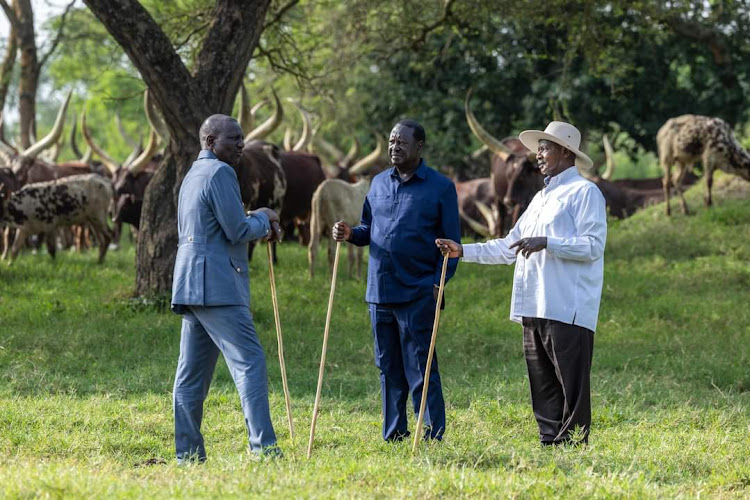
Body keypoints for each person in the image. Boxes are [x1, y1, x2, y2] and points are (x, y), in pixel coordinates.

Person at [436, 121, 607, 446]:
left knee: (571, 385)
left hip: (567, 307)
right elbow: (509, 246)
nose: (538, 155)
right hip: (533, 304)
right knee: (542, 385)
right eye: (539, 148)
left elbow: (593, 246)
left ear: (566, 152)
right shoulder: (541, 197)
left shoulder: (586, 192)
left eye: (545, 148)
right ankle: (549, 445)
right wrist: (463, 251)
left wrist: (549, 242)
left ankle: (574, 449)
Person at [332, 119, 461, 442]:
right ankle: (395, 432)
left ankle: (431, 433)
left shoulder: (440, 187)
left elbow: (451, 247)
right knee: (387, 366)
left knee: (421, 365)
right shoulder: (377, 184)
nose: (394, 147)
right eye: (391, 142)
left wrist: (437, 284)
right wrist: (350, 234)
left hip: (419, 290)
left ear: (419, 147)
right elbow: (367, 229)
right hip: (380, 290)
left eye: (402, 142)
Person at [171, 114, 282, 463]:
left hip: (190, 283)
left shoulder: (192, 174)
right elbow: (236, 229)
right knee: (250, 362)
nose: (240, 144)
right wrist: (263, 216)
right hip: (218, 284)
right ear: (209, 141)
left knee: (191, 375)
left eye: (242, 137)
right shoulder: (220, 173)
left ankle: (187, 456)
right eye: (232, 138)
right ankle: (263, 451)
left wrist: (254, 219)